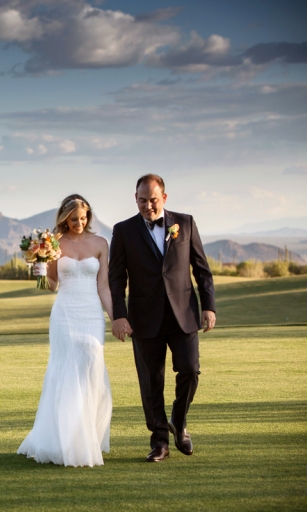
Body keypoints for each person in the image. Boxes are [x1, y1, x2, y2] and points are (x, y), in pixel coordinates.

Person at [108, 174, 216, 462]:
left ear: (164, 198)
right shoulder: (123, 231)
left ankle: (178, 421)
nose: (148, 206)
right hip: (144, 317)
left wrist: (209, 306)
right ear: (135, 199)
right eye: (142, 200)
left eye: (153, 200)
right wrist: (119, 316)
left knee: (190, 370)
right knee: (150, 382)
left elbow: (202, 269)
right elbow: (116, 278)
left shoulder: (186, 223)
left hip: (184, 314)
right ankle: (159, 442)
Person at [17, 194, 116, 467]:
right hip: (65, 315)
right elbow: (52, 284)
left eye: (83, 218)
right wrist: (39, 269)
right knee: (66, 372)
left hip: (91, 314)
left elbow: (104, 286)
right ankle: (64, 442)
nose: (79, 223)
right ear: (64, 218)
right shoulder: (53, 244)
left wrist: (116, 317)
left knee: (91, 367)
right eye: (73, 219)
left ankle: (85, 437)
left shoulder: (101, 243)